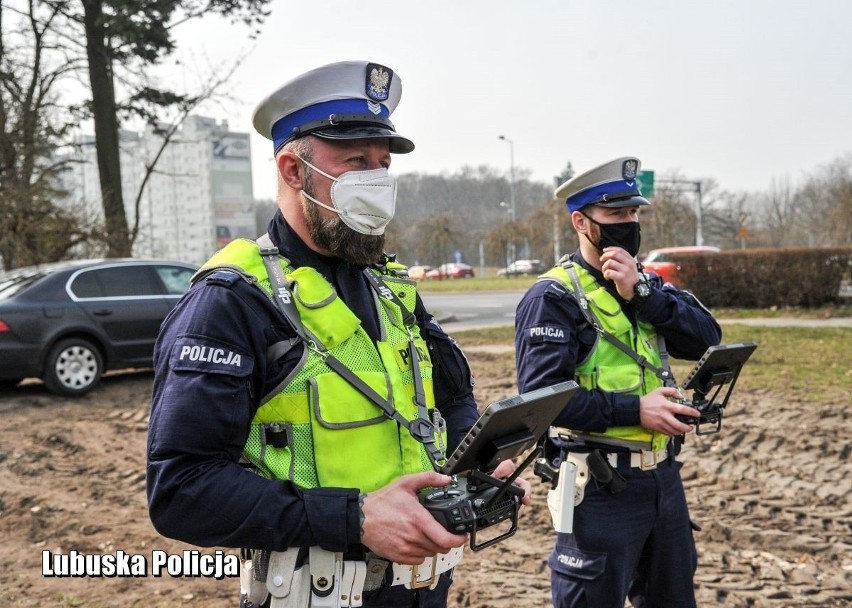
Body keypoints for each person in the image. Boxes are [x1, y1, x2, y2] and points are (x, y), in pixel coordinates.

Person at [146, 60, 529, 608]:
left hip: (424, 587)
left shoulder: (392, 288)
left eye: (383, 163)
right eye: (356, 162)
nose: (377, 180)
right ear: (293, 171)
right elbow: (181, 490)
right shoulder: (231, 301)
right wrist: (353, 516)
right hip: (315, 593)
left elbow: (450, 400)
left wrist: (482, 462)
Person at [514, 157, 722, 608]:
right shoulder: (553, 297)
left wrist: (642, 295)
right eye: (615, 215)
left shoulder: (643, 283)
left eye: (633, 213)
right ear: (581, 222)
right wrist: (635, 411)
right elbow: (541, 400)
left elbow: (708, 337)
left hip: (663, 481)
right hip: (598, 489)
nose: (628, 223)